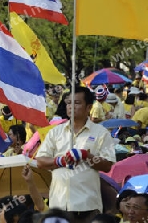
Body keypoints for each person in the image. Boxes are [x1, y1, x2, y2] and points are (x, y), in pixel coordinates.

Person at [36, 86, 116, 223]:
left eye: (77, 103)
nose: (71, 107)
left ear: (89, 107)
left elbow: (107, 165)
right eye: (68, 103)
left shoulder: (100, 133)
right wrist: (60, 161)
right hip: (59, 204)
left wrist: (85, 155)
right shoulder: (55, 132)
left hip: (88, 205)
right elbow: (40, 161)